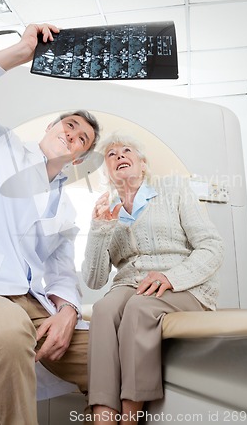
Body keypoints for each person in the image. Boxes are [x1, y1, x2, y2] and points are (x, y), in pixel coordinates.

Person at [0, 23, 100, 425]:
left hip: (31, 301)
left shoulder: (66, 209)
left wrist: (67, 310)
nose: (72, 134)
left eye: (81, 138)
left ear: (79, 159)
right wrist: (19, 52)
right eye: (68, 125)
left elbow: (62, 273)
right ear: (49, 128)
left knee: (113, 350)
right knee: (10, 331)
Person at [81, 132, 224, 424]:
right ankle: (102, 417)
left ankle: (130, 416)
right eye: (111, 154)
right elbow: (94, 281)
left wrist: (171, 277)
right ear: (107, 172)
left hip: (184, 286)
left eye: (127, 150)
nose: (119, 155)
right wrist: (99, 229)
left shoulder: (173, 189)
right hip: (129, 285)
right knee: (103, 309)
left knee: (138, 306)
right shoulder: (107, 210)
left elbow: (213, 247)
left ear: (143, 164)